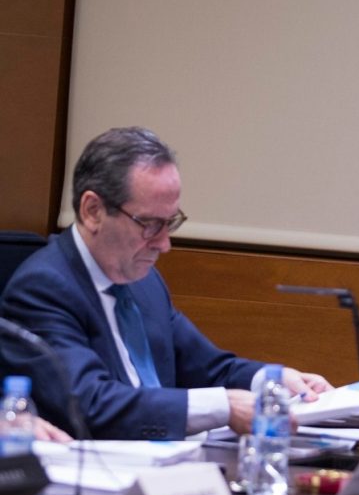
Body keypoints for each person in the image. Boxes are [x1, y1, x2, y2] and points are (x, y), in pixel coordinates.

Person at [0, 127, 332, 440]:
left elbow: (212, 369)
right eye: (149, 224)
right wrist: (224, 407)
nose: (164, 244)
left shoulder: (144, 282)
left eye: (169, 223)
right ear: (93, 211)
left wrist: (273, 382)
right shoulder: (42, 288)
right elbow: (91, 404)